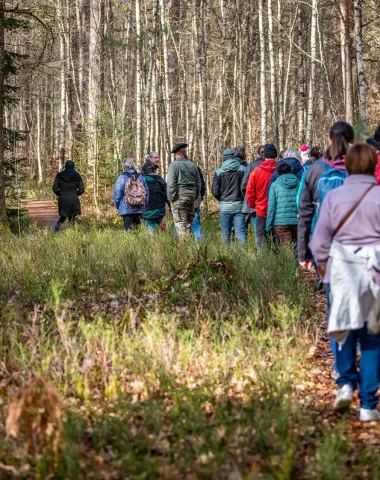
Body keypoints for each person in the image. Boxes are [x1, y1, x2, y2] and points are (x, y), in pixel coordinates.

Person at [310, 144, 380, 422]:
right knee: (373, 339)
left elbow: (319, 241)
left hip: (342, 271)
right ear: (373, 165)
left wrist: (325, 271)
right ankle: (368, 406)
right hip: (375, 272)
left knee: (342, 329)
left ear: (348, 165)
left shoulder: (334, 197)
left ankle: (346, 384)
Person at [298, 121, 355, 270]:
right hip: (356, 240)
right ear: (353, 141)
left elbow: (305, 211)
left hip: (323, 238)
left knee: (332, 287)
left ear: (329, 140)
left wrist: (304, 252)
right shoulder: (361, 166)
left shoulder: (314, 169)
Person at [212, 148, 247, 244]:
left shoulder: (219, 172)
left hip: (225, 206)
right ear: (234, 157)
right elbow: (247, 187)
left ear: (224, 158)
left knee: (225, 233)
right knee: (241, 232)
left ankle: (226, 256)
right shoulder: (243, 169)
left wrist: (222, 199)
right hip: (239, 205)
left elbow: (215, 191)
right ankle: (243, 256)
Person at [246, 144, 277, 247]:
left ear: (264, 156)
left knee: (261, 239)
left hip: (261, 209)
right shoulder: (281, 169)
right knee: (276, 240)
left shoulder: (256, 172)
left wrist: (253, 205)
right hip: (278, 210)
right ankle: (279, 260)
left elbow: (249, 192)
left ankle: (262, 260)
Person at [167, 143, 201, 237]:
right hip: (191, 198)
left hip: (179, 198)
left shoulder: (173, 166)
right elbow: (198, 184)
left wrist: (171, 199)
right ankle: (192, 249)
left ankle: (185, 251)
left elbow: (170, 184)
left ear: (175, 154)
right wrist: (195, 196)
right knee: (188, 225)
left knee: (181, 227)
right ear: (185, 153)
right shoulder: (193, 166)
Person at [266, 162, 299, 245]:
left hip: (281, 222)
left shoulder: (274, 185)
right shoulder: (298, 183)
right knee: (297, 249)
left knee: (287, 249)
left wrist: (269, 225)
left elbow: (271, 207)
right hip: (297, 221)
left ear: (278, 173)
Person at [113, 158, 149, 232]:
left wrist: (117, 206)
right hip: (139, 208)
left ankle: (130, 244)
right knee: (137, 231)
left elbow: (117, 193)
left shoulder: (122, 177)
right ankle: (138, 243)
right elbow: (146, 193)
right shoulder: (141, 177)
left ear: (124, 166)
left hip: (126, 208)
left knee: (129, 231)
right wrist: (143, 205)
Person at [52, 160, 84, 232]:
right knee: (72, 218)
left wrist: (60, 194)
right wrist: (75, 194)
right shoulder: (77, 176)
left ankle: (55, 232)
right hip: (73, 199)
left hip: (63, 199)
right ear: (73, 166)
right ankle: (72, 234)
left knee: (62, 217)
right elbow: (81, 189)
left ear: (65, 166)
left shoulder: (59, 175)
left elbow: (54, 188)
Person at [241, 145, 264, 231]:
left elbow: (243, 185)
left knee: (258, 229)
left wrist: (248, 199)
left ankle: (261, 244)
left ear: (258, 154)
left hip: (255, 203)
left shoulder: (251, 166)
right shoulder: (274, 165)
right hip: (268, 201)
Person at [141, 158, 168, 231]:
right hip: (160, 210)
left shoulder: (142, 180)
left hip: (147, 210)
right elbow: (167, 193)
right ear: (154, 170)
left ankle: (153, 242)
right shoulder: (160, 179)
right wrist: (170, 206)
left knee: (150, 232)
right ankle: (167, 241)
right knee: (164, 230)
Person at [192, 166, 206, 242]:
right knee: (196, 224)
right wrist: (199, 199)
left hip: (179, 203)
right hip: (194, 202)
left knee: (179, 225)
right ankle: (200, 249)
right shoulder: (195, 168)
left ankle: (178, 249)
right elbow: (202, 186)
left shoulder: (175, 167)